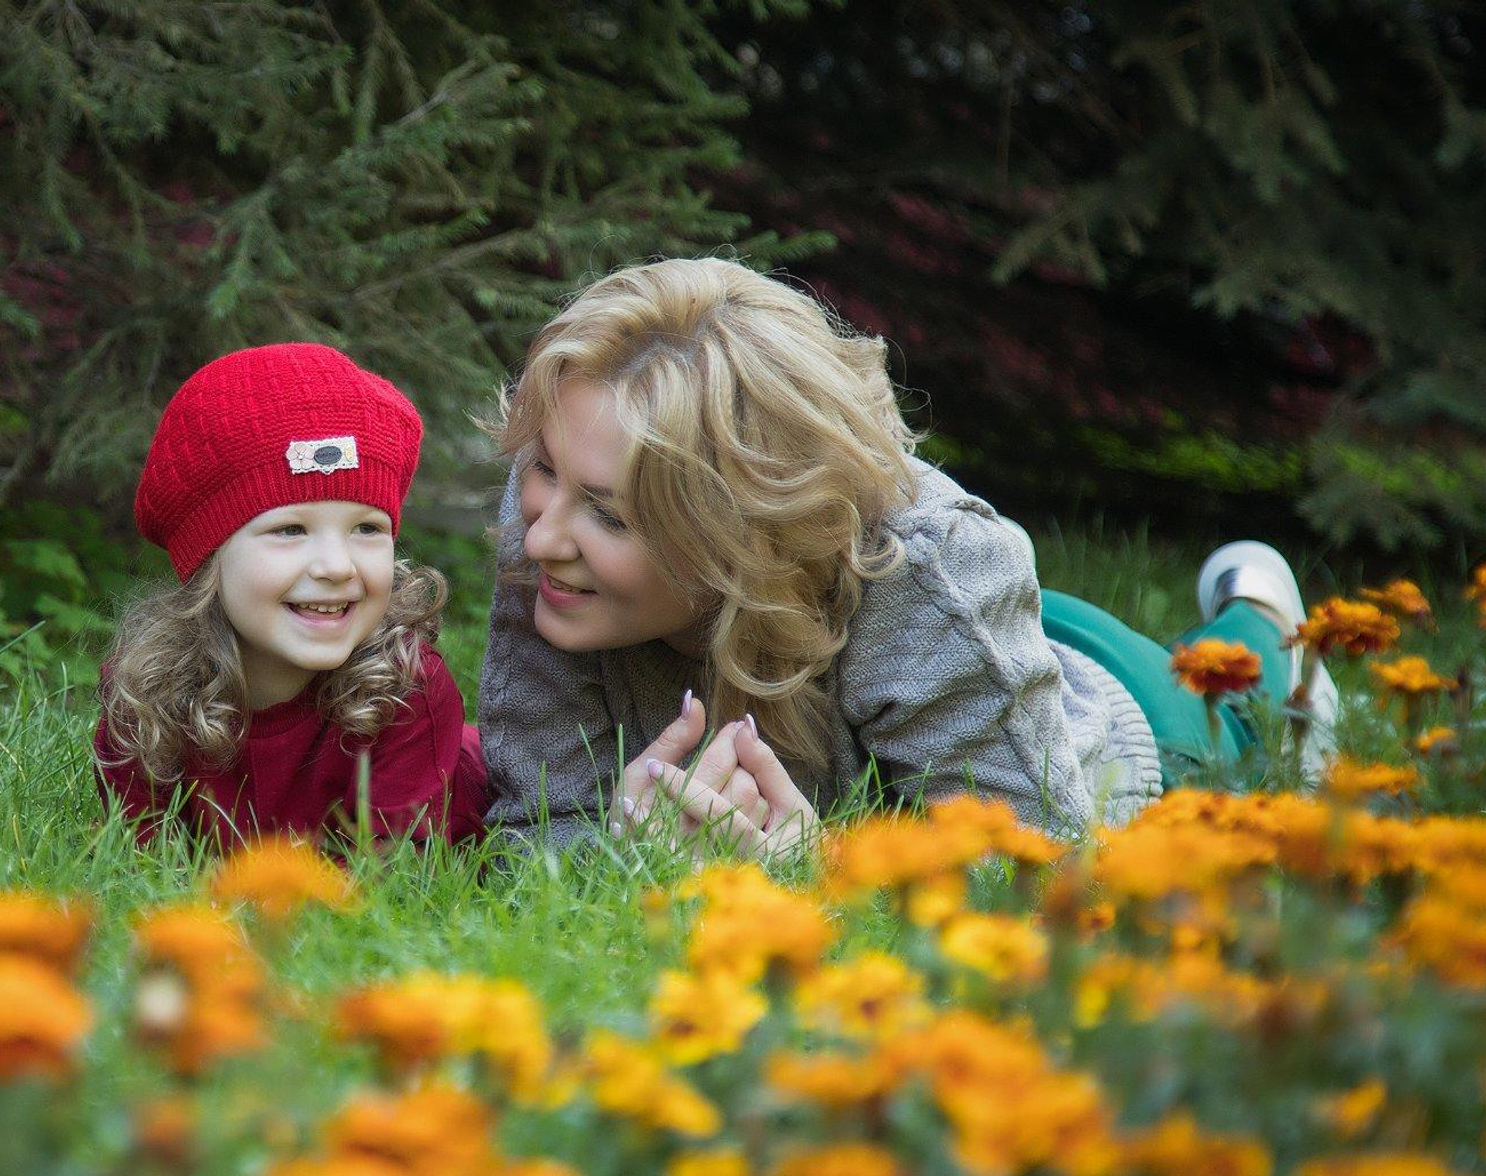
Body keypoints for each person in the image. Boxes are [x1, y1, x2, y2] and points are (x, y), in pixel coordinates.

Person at [476, 257, 1335, 858]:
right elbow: (540, 832)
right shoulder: (550, 535)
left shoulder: (933, 573)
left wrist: (822, 876)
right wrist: (624, 852)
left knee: (1250, 704)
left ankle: (1264, 612)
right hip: (965, 652)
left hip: (1121, 733)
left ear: (739, 536)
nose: (545, 533)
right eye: (544, 469)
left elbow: (1035, 870)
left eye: (611, 518)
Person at [95, 343, 487, 853]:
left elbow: (390, 887)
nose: (337, 566)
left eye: (367, 528)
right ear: (209, 558)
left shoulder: (405, 689)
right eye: (290, 530)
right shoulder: (147, 701)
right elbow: (140, 870)